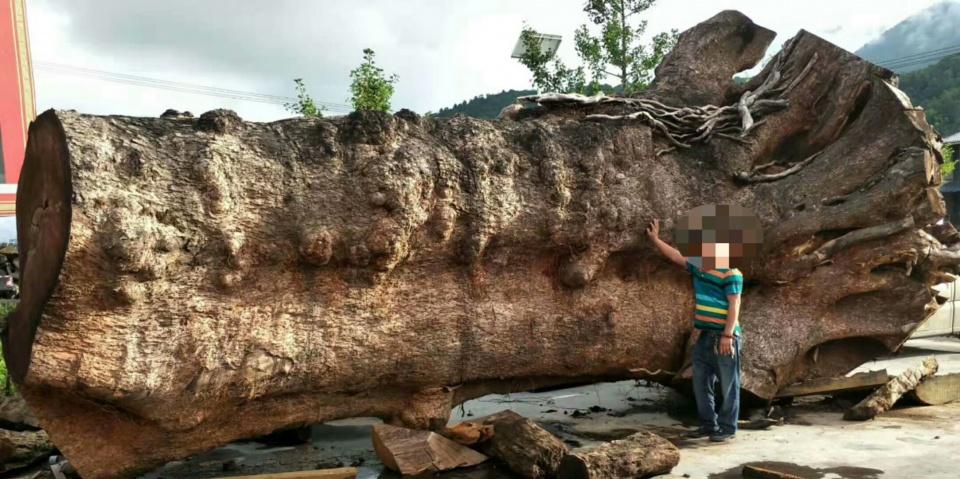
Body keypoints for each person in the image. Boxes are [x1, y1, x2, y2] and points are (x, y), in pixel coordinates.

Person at [645, 204, 762, 443]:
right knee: (700, 381)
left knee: (729, 385)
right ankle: (709, 425)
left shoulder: (732, 272)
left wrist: (728, 335)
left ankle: (727, 428)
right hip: (705, 336)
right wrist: (655, 240)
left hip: (725, 337)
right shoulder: (699, 266)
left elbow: (734, 304)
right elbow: (676, 256)